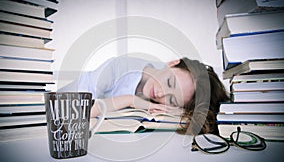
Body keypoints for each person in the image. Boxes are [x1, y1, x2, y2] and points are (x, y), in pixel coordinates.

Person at [70, 55, 229, 135]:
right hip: (62, 107)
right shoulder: (120, 68)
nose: (160, 93)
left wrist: (180, 112)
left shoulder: (154, 102)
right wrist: (131, 100)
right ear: (172, 63)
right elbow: (81, 114)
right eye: (169, 82)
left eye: (172, 100)